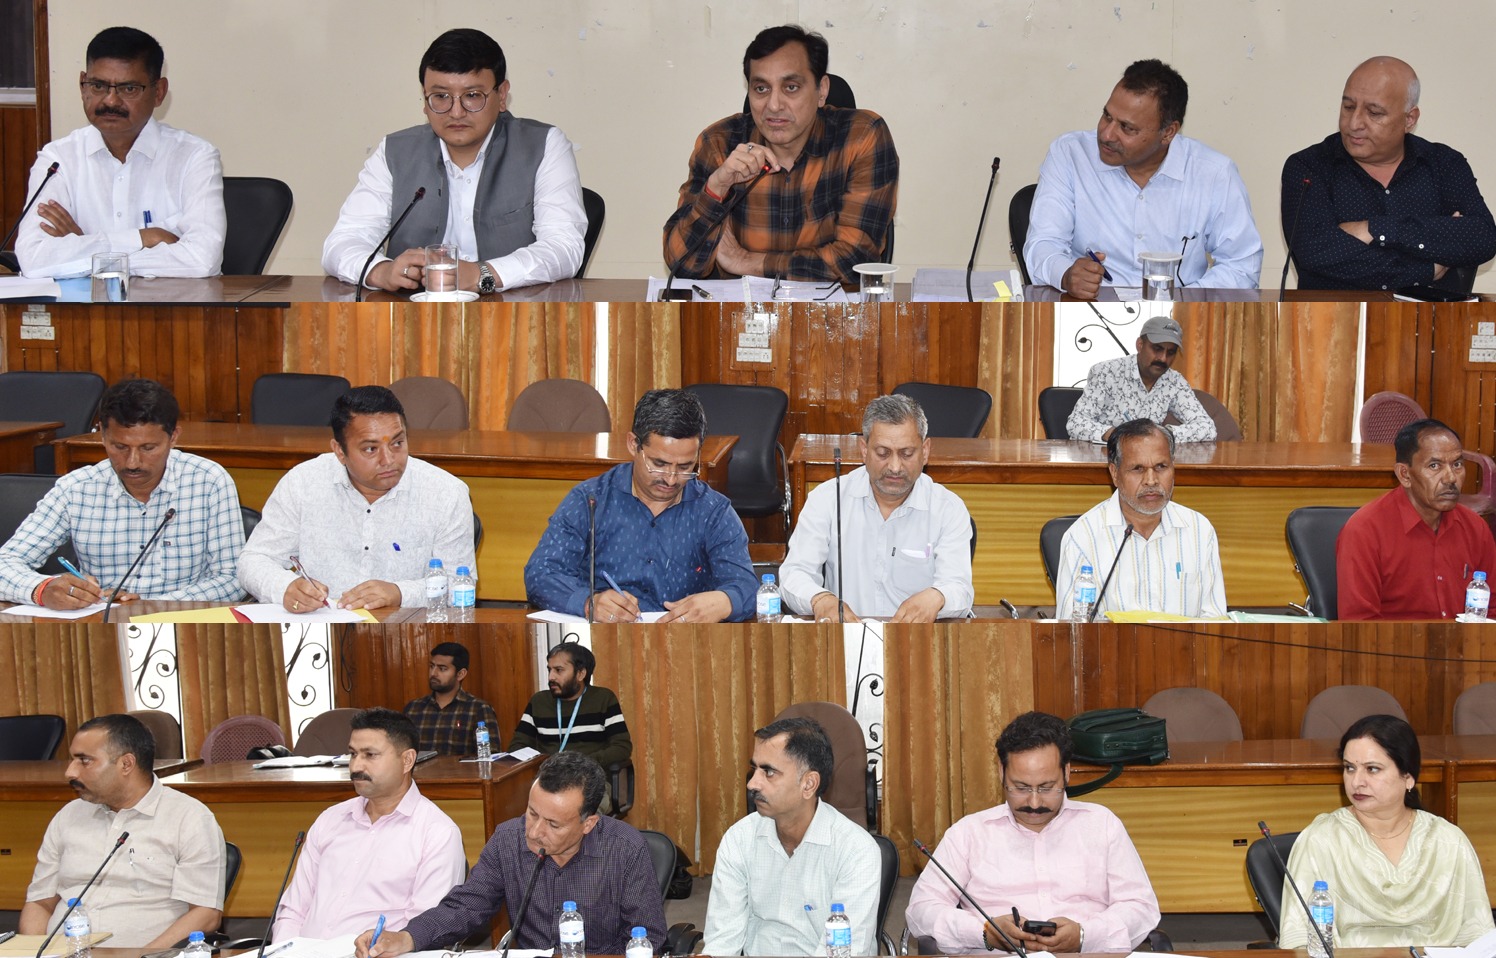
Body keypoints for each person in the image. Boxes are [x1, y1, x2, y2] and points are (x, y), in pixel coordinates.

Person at [322, 28, 585, 294]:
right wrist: (381, 271)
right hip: (414, 314)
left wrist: (484, 274)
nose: (456, 112)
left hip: (513, 313)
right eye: (441, 97)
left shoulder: (543, 146)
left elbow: (564, 247)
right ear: (425, 98)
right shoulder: (395, 151)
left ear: (502, 95)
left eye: (472, 95)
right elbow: (343, 242)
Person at [354, 752, 665, 958]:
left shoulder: (624, 848)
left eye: (553, 824)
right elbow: (466, 906)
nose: (535, 831)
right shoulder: (507, 839)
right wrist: (407, 938)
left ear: (589, 824)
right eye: (532, 813)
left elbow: (647, 936)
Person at [905, 711, 1160, 954]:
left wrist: (1085, 936)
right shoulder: (968, 834)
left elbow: (1141, 908)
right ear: (1001, 772)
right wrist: (984, 932)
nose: (1035, 803)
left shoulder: (1102, 825)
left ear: (1066, 772)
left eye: (1047, 788)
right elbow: (921, 910)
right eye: (1021, 788)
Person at [662, 24, 899, 285]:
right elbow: (682, 265)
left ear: (821, 90)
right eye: (761, 89)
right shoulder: (719, 143)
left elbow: (856, 262)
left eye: (791, 87)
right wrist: (716, 188)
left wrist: (744, 261)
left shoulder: (861, 137)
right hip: (741, 308)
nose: (773, 105)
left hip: (831, 309)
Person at [1023, 58, 1262, 297]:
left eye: (1127, 128)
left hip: (1182, 314)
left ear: (1168, 132)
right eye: (1107, 116)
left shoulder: (1213, 173)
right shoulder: (1071, 154)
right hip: (1090, 310)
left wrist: (1179, 303)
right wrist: (1065, 274)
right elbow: (1043, 243)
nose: (1107, 135)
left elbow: (1241, 266)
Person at [0, 378, 244, 610]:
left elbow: (233, 578)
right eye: (120, 447)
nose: (132, 462)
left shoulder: (208, 481)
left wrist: (152, 605)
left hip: (182, 624)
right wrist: (41, 589)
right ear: (103, 436)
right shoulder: (76, 489)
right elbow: (5, 563)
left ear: (173, 438)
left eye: (148, 448)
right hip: (99, 624)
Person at [524, 389, 758, 623]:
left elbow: (747, 587)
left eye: (685, 467)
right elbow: (540, 574)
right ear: (633, 444)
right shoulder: (590, 500)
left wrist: (725, 601)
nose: (671, 479)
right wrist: (588, 602)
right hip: (607, 635)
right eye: (659, 464)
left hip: (683, 637)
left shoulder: (713, 512)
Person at [238, 385, 474, 612]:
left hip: (406, 629)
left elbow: (460, 583)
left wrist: (400, 593)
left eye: (397, 443)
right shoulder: (303, 483)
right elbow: (254, 560)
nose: (388, 460)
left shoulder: (445, 493)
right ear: (340, 451)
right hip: (321, 626)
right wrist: (285, 588)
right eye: (371, 449)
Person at [16, 27, 225, 278]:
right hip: (83, 305)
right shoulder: (58, 161)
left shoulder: (194, 157)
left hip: (173, 303)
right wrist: (144, 238)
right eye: (98, 86)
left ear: (159, 92)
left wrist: (86, 249)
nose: (111, 101)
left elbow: (202, 260)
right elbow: (33, 260)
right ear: (82, 86)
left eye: (129, 89)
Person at [1281, 57, 1496, 292]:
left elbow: (1482, 238)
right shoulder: (1309, 167)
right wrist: (1425, 269)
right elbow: (1317, 253)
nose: (1354, 123)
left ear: (1409, 119)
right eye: (1348, 107)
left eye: (1374, 113)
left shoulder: (1443, 164)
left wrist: (1374, 229)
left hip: (1433, 315)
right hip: (1337, 315)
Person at [1278, 715, 1494, 948]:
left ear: (1408, 777)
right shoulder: (1321, 839)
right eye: (1349, 768)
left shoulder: (1446, 840)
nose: (1357, 781)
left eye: (1372, 769)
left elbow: (1477, 934)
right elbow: (1298, 938)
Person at [20, 714, 226, 949]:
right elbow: (40, 903)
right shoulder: (68, 816)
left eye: (84, 761)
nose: (70, 772)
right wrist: (33, 952)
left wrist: (142, 956)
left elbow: (206, 913)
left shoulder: (189, 818)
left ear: (126, 764)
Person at [273, 708, 465, 941]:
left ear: (407, 760)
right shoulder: (330, 819)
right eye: (353, 754)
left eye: (370, 755)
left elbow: (424, 932)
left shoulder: (437, 833)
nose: (356, 767)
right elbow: (292, 911)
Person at [779, 394, 974, 622]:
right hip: (847, 636)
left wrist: (938, 596)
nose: (895, 467)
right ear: (864, 450)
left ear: (925, 451)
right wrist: (820, 599)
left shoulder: (948, 509)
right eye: (882, 453)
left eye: (906, 454)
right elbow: (794, 574)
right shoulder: (828, 499)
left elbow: (960, 588)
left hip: (917, 638)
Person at [702, 717, 880, 956]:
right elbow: (723, 940)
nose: (752, 784)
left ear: (809, 784)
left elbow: (843, 952)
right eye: (754, 769)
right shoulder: (739, 839)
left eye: (769, 772)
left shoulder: (856, 850)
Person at [1055, 419, 1226, 619]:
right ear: (1114, 473)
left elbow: (1215, 620)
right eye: (1138, 469)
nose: (1151, 480)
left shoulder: (1199, 531)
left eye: (1161, 466)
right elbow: (1072, 627)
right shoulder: (1082, 538)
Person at [1337, 419, 1496, 620]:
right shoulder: (1364, 532)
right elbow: (1358, 624)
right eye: (1434, 466)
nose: (1450, 478)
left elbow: (1492, 608)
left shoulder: (1475, 528)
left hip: (1465, 640)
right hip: (1394, 640)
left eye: (1457, 464)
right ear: (1405, 475)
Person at [1065, 315, 1218, 443]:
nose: (1163, 358)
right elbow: (1076, 423)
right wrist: (1117, 435)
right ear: (1140, 345)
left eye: (1170, 352)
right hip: (1103, 458)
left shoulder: (1174, 381)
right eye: (1157, 349)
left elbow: (1207, 427)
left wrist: (1164, 434)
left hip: (1148, 462)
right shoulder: (1106, 372)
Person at [510, 642, 632, 766]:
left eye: (558, 670)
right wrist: (543, 764)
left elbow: (622, 747)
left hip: (587, 773)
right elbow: (517, 746)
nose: (551, 677)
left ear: (580, 674)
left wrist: (582, 764)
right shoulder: (539, 701)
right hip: (548, 774)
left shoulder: (603, 699)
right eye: (549, 670)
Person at [403, 642, 500, 756]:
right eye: (432, 666)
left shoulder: (478, 709)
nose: (433, 673)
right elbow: (401, 752)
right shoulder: (413, 709)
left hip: (461, 768)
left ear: (460, 674)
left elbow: (490, 757)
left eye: (442, 669)